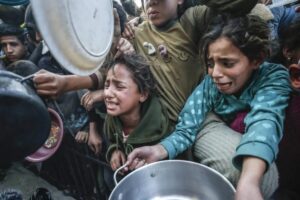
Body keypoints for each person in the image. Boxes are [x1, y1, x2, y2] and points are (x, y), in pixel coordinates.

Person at [126, 15, 292, 199]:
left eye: (227, 63)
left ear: (257, 60)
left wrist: (249, 181)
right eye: (210, 63)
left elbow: (264, 122)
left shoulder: (273, 77)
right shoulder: (209, 86)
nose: (216, 73)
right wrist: (158, 149)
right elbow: (187, 127)